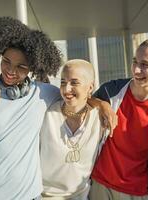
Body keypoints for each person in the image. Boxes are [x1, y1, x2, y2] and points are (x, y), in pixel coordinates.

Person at [0, 16, 116, 200]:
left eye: (21, 66)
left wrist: (102, 104)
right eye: (6, 61)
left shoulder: (43, 94)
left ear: (33, 67)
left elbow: (76, 97)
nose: (10, 71)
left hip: (31, 196)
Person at [89, 38, 148, 200]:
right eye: (135, 62)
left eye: (145, 65)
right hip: (100, 186)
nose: (136, 70)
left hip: (138, 194)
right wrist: (101, 104)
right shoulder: (111, 90)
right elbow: (84, 101)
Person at [40, 59, 106, 200]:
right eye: (63, 82)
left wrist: (102, 104)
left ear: (90, 87)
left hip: (82, 196)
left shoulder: (100, 118)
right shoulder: (46, 113)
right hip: (43, 196)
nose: (66, 89)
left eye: (74, 82)